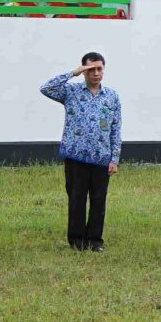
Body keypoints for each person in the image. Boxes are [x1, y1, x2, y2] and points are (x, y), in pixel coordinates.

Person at [42, 52, 122, 251]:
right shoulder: (71, 92)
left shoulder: (111, 96)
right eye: (91, 69)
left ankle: (94, 241)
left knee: (98, 201)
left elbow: (115, 128)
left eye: (99, 69)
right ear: (84, 70)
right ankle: (77, 241)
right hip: (76, 156)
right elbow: (46, 88)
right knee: (76, 199)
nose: (96, 73)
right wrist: (73, 73)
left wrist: (114, 158)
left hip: (101, 157)